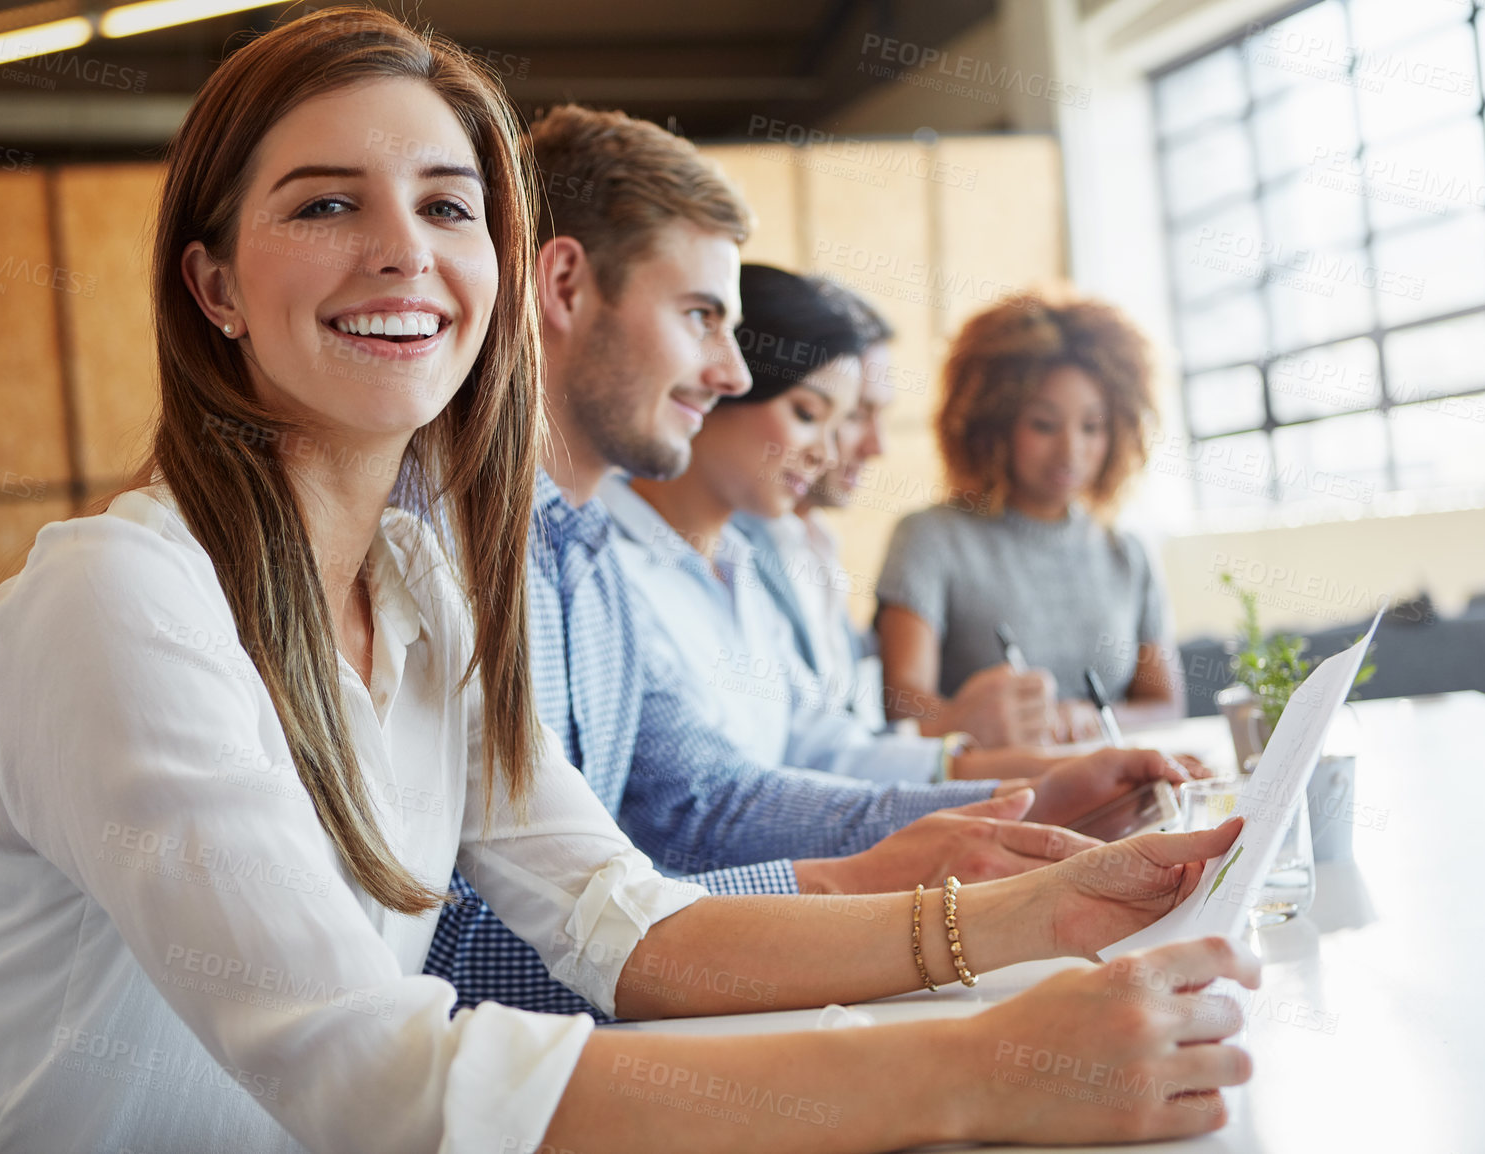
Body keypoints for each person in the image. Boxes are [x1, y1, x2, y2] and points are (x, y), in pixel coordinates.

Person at [0, 15, 1261, 1150]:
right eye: (326, 203)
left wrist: (1032, 908)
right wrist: (975, 1069)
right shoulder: (120, 598)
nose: (404, 251)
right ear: (214, 287)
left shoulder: (437, 588)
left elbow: (624, 919)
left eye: (447, 206)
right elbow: (369, 1067)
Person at [426, 108, 1206, 1017]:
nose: (729, 371)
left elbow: (700, 801)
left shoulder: (580, 549)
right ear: (561, 285)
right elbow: (459, 956)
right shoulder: (443, 549)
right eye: (701, 317)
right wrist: (866, 891)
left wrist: (1014, 798)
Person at [605, 263, 1053, 780]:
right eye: (808, 414)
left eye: (840, 421)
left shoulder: (740, 564)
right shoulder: (610, 565)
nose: (829, 451)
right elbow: (712, 803)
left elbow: (816, 742)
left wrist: (1021, 777)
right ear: (722, 386)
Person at [732, 293, 1059, 747]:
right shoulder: (730, 549)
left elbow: (848, 738)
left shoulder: (818, 545)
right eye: (852, 414)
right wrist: (955, 727)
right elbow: (804, 755)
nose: (876, 446)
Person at [877, 292, 1187, 742]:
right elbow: (902, 706)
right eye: (1043, 425)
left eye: (1092, 427)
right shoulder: (930, 538)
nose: (1071, 451)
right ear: (994, 425)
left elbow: (1166, 706)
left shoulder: (1127, 553)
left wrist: (1091, 721)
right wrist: (978, 720)